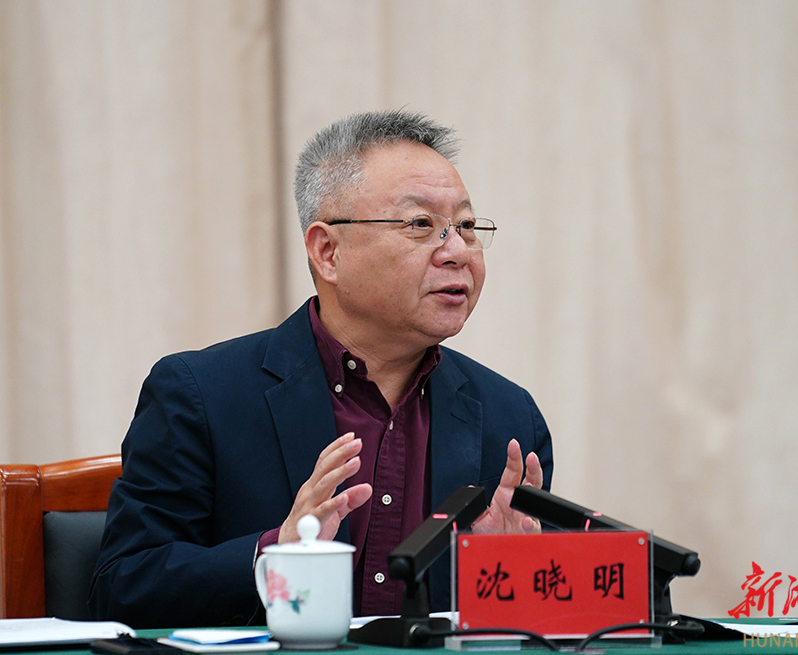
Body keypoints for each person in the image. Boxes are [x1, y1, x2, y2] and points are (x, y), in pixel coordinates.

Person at [89, 110, 553, 629]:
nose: (457, 252)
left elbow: (541, 623)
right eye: (421, 225)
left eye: (466, 227)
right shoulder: (201, 396)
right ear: (327, 251)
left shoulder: (509, 418)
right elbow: (122, 588)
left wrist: (507, 576)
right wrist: (276, 553)